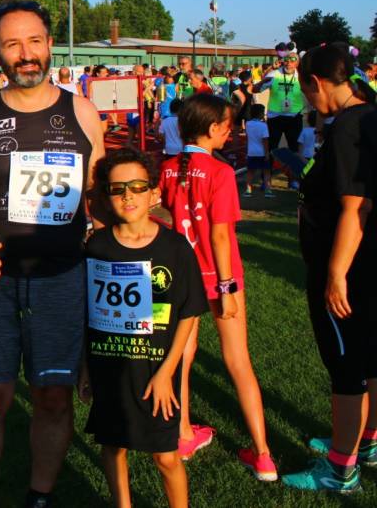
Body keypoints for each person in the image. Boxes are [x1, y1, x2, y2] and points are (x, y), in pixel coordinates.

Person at [0, 1, 105, 508]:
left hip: (62, 277)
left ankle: (40, 496)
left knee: (52, 397)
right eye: (12, 44)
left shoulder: (81, 112)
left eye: (33, 41)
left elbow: (98, 198)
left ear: (49, 44)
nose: (25, 54)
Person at [80, 148, 208, 508]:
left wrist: (168, 372)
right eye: (118, 188)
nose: (128, 196)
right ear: (106, 196)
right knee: (112, 446)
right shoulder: (96, 248)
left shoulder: (175, 248)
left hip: (156, 370)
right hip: (110, 367)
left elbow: (189, 313)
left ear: (153, 194)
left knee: (166, 456)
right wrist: (85, 366)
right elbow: (89, 313)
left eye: (137, 187)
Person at [159, 94, 277, 478]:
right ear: (212, 129)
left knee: (182, 357)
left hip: (182, 278)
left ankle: (182, 434)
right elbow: (221, 236)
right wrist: (226, 286)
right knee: (238, 361)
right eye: (229, 126)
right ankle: (262, 453)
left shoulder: (170, 168)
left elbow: (165, 213)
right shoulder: (221, 172)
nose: (233, 132)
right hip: (219, 278)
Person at [281, 43, 377, 493]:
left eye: (305, 91)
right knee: (372, 357)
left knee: (347, 366)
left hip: (348, 268)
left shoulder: (347, 129)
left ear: (316, 83)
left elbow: (355, 207)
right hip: (368, 263)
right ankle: (368, 440)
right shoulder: (367, 116)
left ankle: (342, 467)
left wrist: (336, 273)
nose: (306, 101)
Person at [260, 50, 305, 158]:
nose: (289, 63)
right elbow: (260, 87)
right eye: (286, 60)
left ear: (297, 63)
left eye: (292, 60)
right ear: (283, 62)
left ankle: (294, 174)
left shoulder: (301, 77)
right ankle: (268, 173)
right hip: (275, 116)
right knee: (272, 146)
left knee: (294, 147)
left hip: (294, 117)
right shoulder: (274, 74)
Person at [243, 103, 272, 197]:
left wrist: (246, 151)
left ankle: (248, 190)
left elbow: (247, 138)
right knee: (266, 171)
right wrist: (267, 153)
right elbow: (265, 141)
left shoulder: (248, 124)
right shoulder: (263, 125)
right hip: (262, 152)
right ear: (260, 113)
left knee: (250, 171)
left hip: (251, 152)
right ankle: (268, 190)